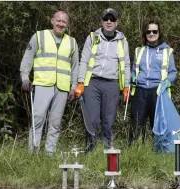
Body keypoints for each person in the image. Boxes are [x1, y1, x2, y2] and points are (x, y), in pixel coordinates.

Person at [19, 11, 79, 157]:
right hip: (42, 84)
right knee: (38, 120)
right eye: (58, 20)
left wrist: (73, 87)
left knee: (55, 123)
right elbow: (28, 58)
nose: (61, 24)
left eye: (64, 22)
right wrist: (25, 77)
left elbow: (75, 67)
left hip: (62, 88)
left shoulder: (72, 42)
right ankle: (33, 153)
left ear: (67, 24)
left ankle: (50, 154)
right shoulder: (39, 36)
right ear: (52, 21)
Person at [75, 8, 131, 152]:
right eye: (106, 18)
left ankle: (107, 149)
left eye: (112, 19)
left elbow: (126, 64)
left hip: (112, 84)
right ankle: (90, 149)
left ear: (117, 22)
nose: (109, 21)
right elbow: (84, 60)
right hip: (92, 83)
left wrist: (126, 86)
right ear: (101, 21)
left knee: (108, 121)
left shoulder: (122, 41)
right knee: (92, 119)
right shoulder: (93, 37)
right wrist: (80, 82)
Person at [128, 19, 177, 145]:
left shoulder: (167, 51)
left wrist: (167, 81)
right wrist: (132, 77)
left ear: (159, 33)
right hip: (140, 90)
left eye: (154, 31)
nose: (151, 34)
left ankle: (160, 151)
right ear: (145, 33)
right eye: (148, 31)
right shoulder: (139, 50)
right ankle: (136, 150)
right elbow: (134, 70)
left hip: (158, 91)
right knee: (137, 123)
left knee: (158, 124)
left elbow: (173, 72)